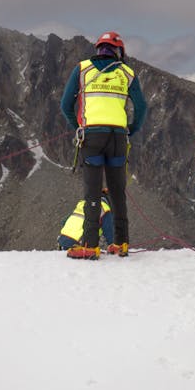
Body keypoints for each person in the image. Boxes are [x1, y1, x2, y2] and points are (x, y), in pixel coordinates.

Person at [60, 31, 147, 259]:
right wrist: (132, 128)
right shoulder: (127, 73)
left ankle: (90, 245)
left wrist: (78, 124)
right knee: (117, 190)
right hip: (118, 137)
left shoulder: (82, 69)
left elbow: (65, 104)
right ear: (118, 51)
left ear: (98, 49)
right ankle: (121, 243)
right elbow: (141, 106)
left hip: (92, 136)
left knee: (92, 191)